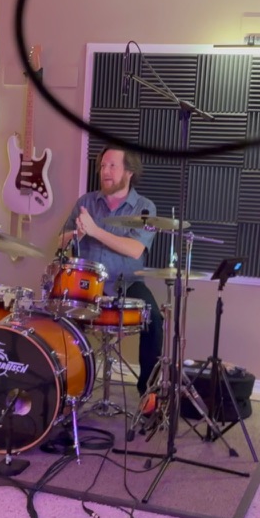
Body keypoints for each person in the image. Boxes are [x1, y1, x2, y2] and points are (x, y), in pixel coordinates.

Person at [58, 145, 164, 399]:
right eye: (103, 166)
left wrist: (95, 231)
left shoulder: (145, 207)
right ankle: (68, 389)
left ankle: (148, 393)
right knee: (60, 320)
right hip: (88, 285)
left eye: (112, 166)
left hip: (128, 284)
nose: (105, 171)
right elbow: (60, 241)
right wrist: (77, 233)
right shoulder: (85, 202)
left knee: (155, 320)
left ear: (129, 172)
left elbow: (135, 249)